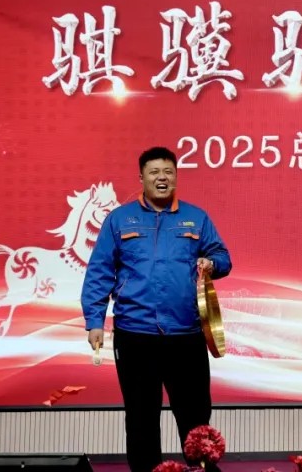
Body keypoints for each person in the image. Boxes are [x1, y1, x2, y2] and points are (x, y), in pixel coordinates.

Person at [81, 146, 232, 472]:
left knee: (195, 417)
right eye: (154, 172)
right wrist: (94, 321)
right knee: (141, 418)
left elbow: (223, 257)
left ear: (176, 176)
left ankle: (201, 470)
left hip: (186, 334)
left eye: (168, 172)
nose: (161, 178)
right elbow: (100, 272)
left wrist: (211, 263)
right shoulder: (120, 219)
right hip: (135, 335)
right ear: (142, 178)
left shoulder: (196, 217)